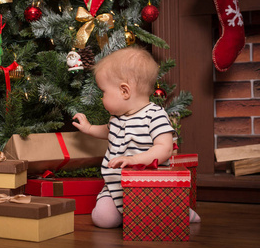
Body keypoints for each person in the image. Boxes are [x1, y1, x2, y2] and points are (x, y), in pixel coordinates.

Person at [73, 46, 197, 228]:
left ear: (125, 91)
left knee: (162, 212)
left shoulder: (155, 115)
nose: (101, 98)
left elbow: (165, 147)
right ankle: (130, 215)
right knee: (102, 219)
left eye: (104, 92)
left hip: (148, 186)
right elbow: (109, 132)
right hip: (116, 185)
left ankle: (180, 211)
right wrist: (89, 128)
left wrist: (134, 160)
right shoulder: (117, 117)